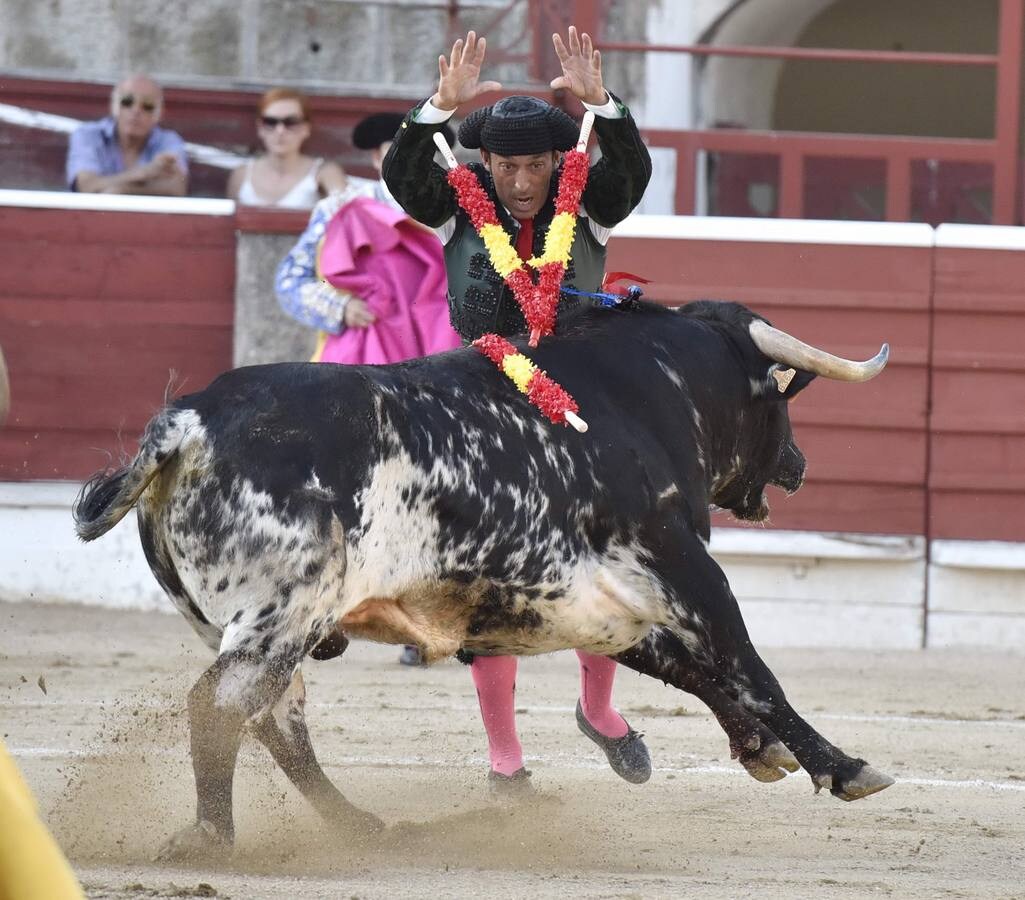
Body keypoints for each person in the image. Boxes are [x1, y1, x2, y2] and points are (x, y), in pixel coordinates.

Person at [382, 27, 653, 793]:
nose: (524, 181)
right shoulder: (454, 210)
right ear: (484, 165)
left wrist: (601, 103)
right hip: (480, 405)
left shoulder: (590, 205)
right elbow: (405, 174)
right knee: (484, 576)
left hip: (576, 405)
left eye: (538, 165)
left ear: (558, 165)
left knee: (604, 560)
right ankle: (504, 758)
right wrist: (437, 107)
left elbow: (628, 170)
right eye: (508, 165)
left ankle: (597, 710)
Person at [276, 113, 462, 669]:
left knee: (434, 494)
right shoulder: (340, 212)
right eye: (392, 151)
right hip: (359, 367)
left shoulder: (461, 212)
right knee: (338, 490)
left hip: (438, 373)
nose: (403, 162)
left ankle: (421, 620)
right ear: (377, 157)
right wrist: (340, 306)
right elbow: (290, 282)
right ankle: (323, 611)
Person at [66, 73, 188, 196]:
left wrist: (122, 190)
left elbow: (176, 189)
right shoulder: (88, 134)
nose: (136, 111)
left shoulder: (168, 140)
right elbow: (86, 186)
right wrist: (143, 173)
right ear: (114, 107)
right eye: (127, 102)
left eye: (147, 105)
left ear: (159, 114)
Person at [228, 88, 346, 208]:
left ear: (306, 128)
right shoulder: (242, 175)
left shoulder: (324, 173)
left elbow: (344, 210)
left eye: (291, 122)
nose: (280, 131)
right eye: (270, 122)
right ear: (260, 128)